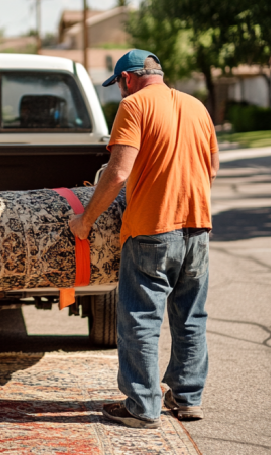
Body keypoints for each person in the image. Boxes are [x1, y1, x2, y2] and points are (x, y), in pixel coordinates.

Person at [69, 49, 219, 429]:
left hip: (153, 231)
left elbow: (118, 172)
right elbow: (211, 167)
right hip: (197, 227)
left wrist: (85, 220)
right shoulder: (196, 106)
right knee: (190, 316)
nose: (120, 90)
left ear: (128, 78)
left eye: (118, 84)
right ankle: (186, 398)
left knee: (140, 317)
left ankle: (142, 405)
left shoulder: (134, 106)